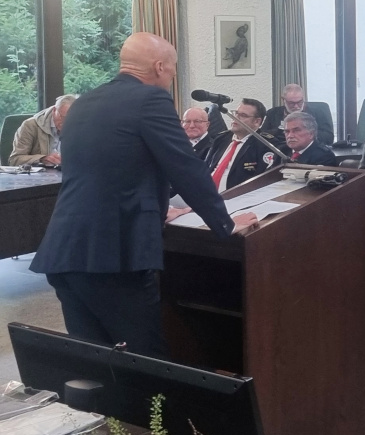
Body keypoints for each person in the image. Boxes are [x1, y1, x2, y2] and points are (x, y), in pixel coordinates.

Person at [30, 34, 253, 357]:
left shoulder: (83, 104)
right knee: (144, 359)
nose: (172, 77)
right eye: (173, 69)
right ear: (160, 67)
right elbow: (185, 167)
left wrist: (159, 208)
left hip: (65, 250)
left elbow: (109, 170)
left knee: (94, 363)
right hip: (115, 255)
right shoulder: (151, 100)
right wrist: (225, 224)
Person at [204, 98, 279, 188]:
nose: (235, 117)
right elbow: (206, 168)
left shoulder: (265, 144)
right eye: (236, 113)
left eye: (243, 115)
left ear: (257, 121)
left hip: (236, 198)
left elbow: (260, 181)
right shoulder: (221, 139)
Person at [10, 94, 74, 166]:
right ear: (54, 110)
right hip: (40, 175)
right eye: (63, 117)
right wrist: (41, 159)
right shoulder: (30, 126)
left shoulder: (79, 127)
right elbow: (15, 160)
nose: (66, 123)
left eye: (71, 119)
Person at [264, 83, 332, 148]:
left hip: (312, 152)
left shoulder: (319, 112)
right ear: (283, 100)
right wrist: (281, 133)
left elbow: (328, 137)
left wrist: (302, 134)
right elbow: (263, 135)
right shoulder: (273, 113)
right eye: (291, 103)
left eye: (299, 102)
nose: (296, 106)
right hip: (282, 151)